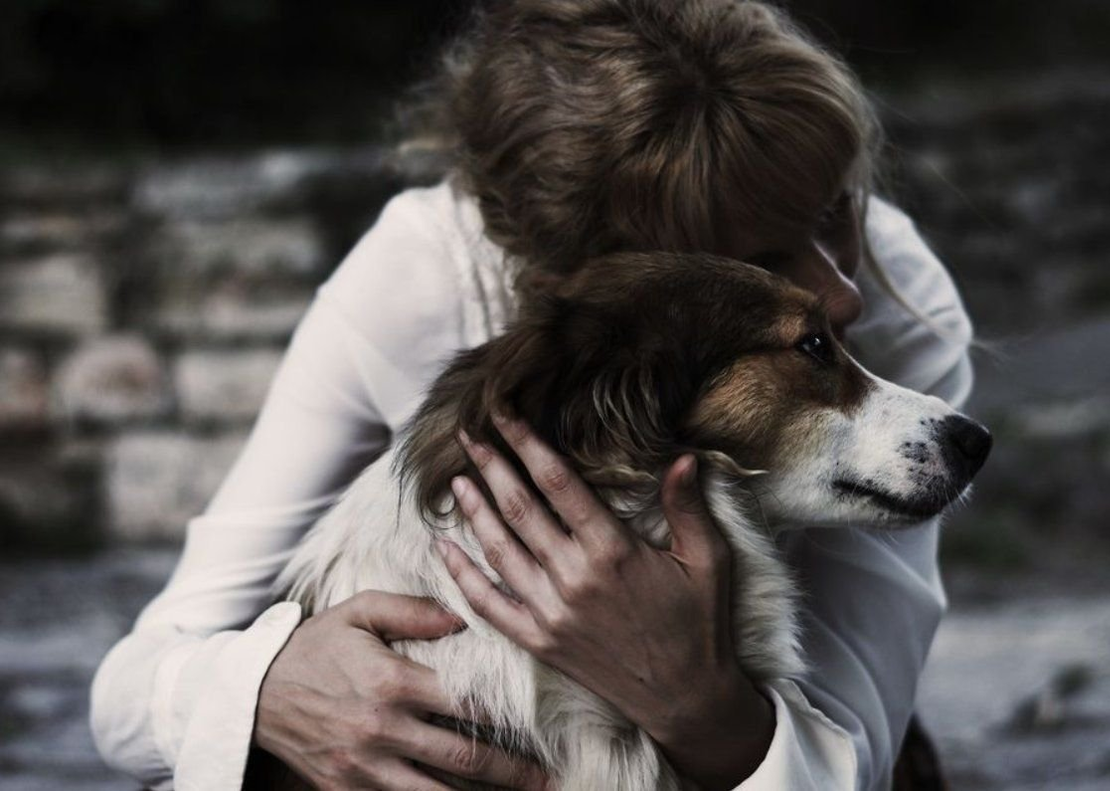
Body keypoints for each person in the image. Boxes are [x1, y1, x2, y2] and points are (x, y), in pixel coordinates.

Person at [90, 1, 974, 789]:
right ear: (611, 283)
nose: (843, 294)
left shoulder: (898, 294)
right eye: (765, 259)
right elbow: (128, 694)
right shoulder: (421, 275)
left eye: (836, 210)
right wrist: (269, 686)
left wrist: (698, 705)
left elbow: (852, 740)